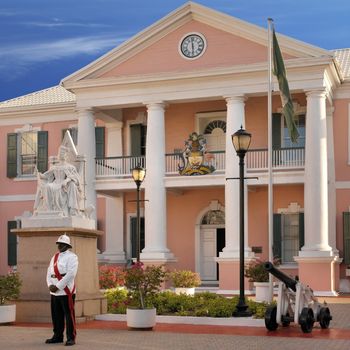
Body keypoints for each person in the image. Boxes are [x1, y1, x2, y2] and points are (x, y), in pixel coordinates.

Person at [46, 234, 78, 346]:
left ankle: (71, 337)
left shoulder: (72, 257)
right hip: (54, 291)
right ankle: (57, 336)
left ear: (67, 245)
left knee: (69, 316)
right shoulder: (54, 257)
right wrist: (50, 285)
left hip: (66, 291)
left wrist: (58, 286)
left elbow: (71, 274)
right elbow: (49, 272)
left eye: (62, 244)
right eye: (58, 244)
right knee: (56, 315)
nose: (59, 246)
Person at [34, 145, 82, 216]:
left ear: (66, 156)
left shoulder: (70, 167)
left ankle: (71, 210)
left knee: (71, 185)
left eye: (63, 154)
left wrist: (66, 181)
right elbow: (46, 176)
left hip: (64, 184)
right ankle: (49, 209)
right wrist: (38, 173)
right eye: (60, 153)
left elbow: (75, 177)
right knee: (47, 186)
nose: (61, 155)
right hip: (55, 183)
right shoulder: (55, 167)